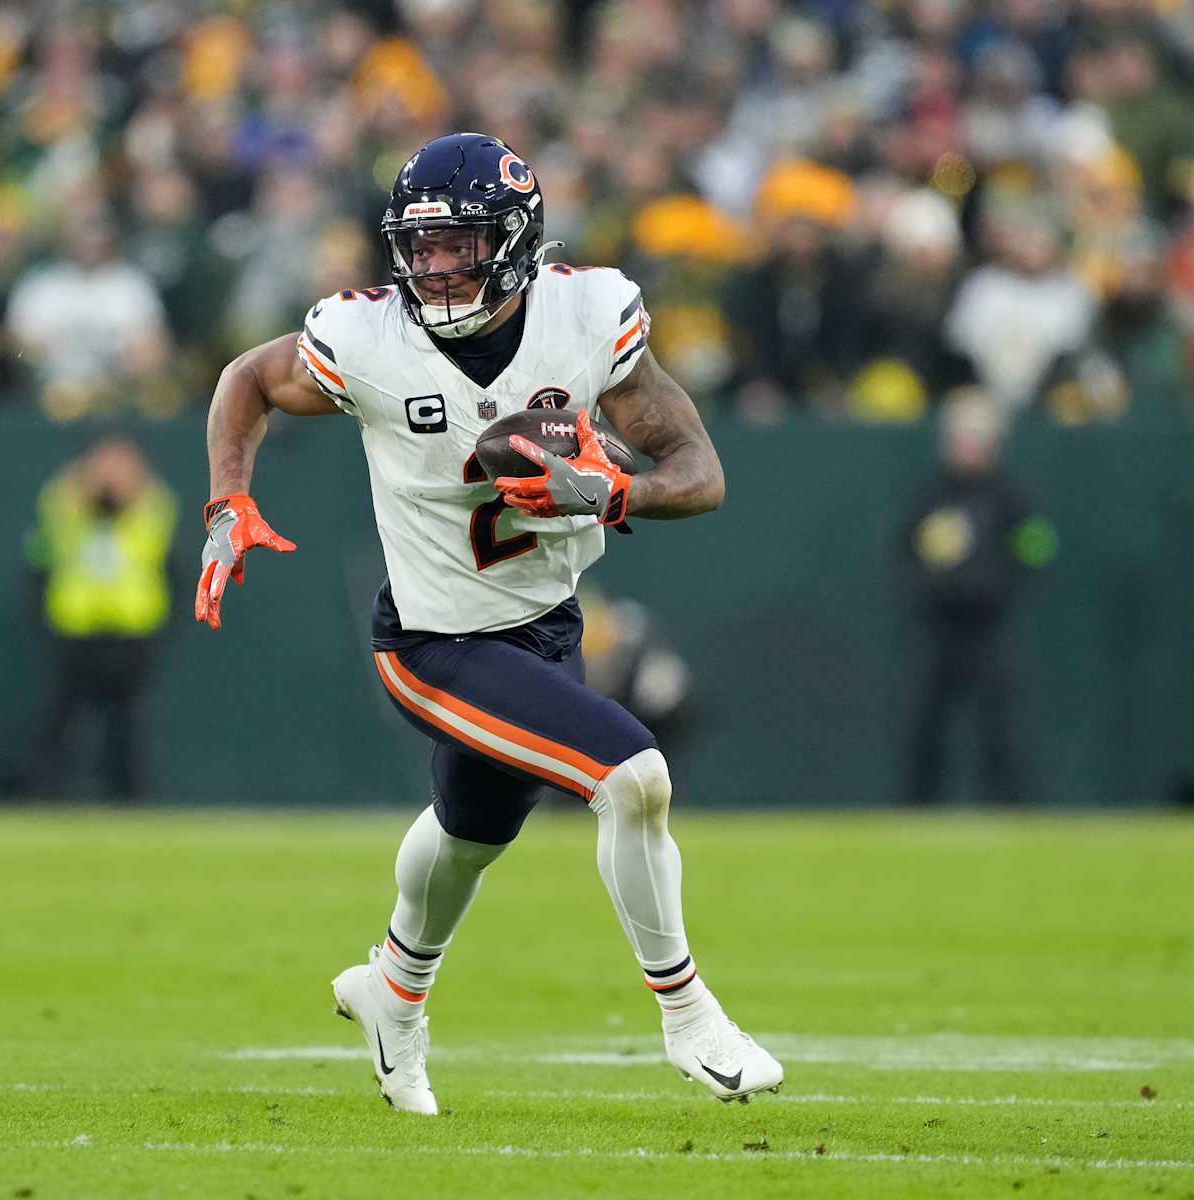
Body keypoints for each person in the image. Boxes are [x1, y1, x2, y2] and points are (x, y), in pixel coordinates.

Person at [193, 133, 782, 1114]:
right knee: (632, 776)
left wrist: (616, 494)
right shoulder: (365, 336)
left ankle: (392, 991)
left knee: (473, 829)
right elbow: (247, 380)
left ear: (512, 242)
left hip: (547, 625)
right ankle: (689, 1016)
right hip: (432, 641)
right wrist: (228, 501)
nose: (432, 268)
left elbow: (699, 472)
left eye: (456, 245)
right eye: (417, 247)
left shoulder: (586, 316)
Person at [899, 394, 1055, 807]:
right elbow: (905, 551)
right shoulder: (932, 497)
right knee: (925, 724)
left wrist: (1005, 579)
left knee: (999, 726)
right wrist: (924, 584)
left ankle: (1011, 809)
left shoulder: (1008, 499)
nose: (968, 448)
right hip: (939, 627)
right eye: (962, 439)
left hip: (988, 628)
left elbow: (1038, 546)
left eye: (977, 439)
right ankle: (913, 811)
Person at [9, 437, 177, 802]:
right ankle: (39, 794)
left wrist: (126, 488)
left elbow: (155, 522)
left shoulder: (151, 505)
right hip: (77, 626)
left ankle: (130, 797)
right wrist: (85, 486)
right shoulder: (67, 504)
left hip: (130, 626)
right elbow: (55, 515)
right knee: (61, 719)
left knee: (125, 721)